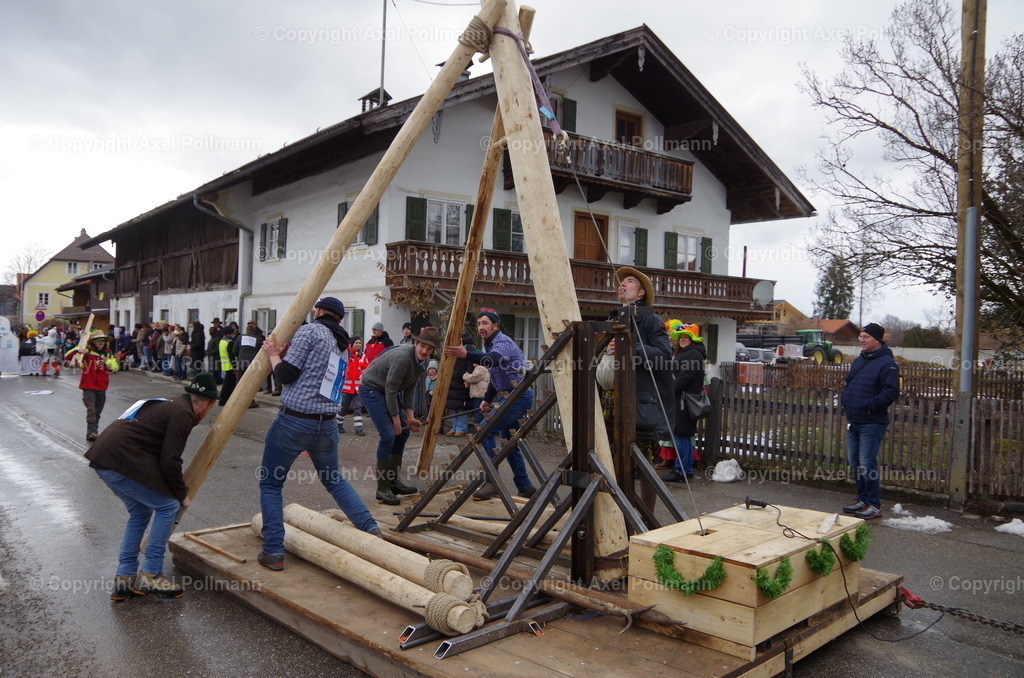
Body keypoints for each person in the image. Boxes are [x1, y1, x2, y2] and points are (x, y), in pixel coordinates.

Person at [257, 297, 381, 571]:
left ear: (319, 311)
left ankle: (274, 551)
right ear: (339, 318)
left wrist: (273, 354)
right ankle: (371, 529)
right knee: (334, 480)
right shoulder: (342, 343)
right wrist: (286, 356)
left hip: (295, 420)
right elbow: (311, 373)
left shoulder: (310, 331)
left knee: (271, 483)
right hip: (326, 424)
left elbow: (286, 376)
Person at [86, 373, 219, 600]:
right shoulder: (183, 414)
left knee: (140, 512)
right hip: (120, 460)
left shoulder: (169, 403)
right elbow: (170, 460)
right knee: (169, 507)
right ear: (206, 404)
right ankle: (151, 574)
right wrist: (181, 495)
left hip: (104, 459)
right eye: (210, 409)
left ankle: (125, 577)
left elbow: (160, 456)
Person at [443, 309, 537, 501]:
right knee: (508, 442)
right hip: (508, 396)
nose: (480, 327)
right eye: (478, 324)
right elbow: (495, 377)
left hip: (518, 395)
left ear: (495, 326)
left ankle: (492, 481)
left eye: (484, 323)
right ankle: (525, 486)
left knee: (484, 431)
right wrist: (487, 399)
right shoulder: (490, 344)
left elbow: (494, 360)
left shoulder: (502, 342)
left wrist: (465, 354)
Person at [359, 327, 439, 505]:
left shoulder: (423, 362)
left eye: (429, 349)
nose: (424, 351)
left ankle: (394, 482)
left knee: (403, 433)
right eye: (422, 346)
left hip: (388, 390)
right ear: (416, 343)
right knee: (388, 435)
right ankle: (382, 488)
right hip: (371, 389)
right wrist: (396, 420)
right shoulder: (403, 358)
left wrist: (409, 416)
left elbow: (410, 387)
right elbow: (391, 389)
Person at [840, 322, 900, 520]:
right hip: (853, 420)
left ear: (877, 340)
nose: (861, 340)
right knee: (855, 462)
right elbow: (849, 382)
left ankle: (873, 504)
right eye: (861, 337)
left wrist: (869, 405)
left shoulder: (887, 364)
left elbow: (891, 391)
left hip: (872, 422)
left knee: (867, 464)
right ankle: (862, 499)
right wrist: (846, 399)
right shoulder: (860, 361)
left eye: (865, 337)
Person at [664, 323, 706, 482]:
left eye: (686, 337)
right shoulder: (689, 353)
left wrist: (669, 390)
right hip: (683, 400)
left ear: (692, 340)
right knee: (684, 436)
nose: (682, 340)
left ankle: (680, 471)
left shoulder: (693, 354)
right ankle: (686, 470)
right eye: (681, 337)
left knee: (680, 435)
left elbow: (684, 377)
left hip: (683, 401)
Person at [66, 330, 120, 441]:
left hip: (101, 387)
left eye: (103, 340)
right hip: (88, 386)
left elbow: (115, 368)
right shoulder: (86, 353)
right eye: (98, 340)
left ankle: (92, 431)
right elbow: (67, 356)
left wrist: (107, 362)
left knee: (97, 411)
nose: (101, 342)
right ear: (94, 342)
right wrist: (77, 349)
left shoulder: (108, 354)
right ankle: (92, 432)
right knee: (91, 410)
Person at [444, 333, 475, 437]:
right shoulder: (453, 346)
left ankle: (461, 427)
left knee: (461, 406)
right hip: (452, 379)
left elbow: (470, 363)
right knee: (453, 405)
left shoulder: (468, 347)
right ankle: (454, 427)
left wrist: (468, 378)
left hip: (462, 379)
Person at [336, 336, 368, 435]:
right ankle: (338, 425)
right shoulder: (346, 354)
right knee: (343, 407)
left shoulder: (362, 355)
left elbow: (366, 368)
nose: (358, 345)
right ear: (351, 344)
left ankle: (359, 429)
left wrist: (363, 377)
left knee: (358, 407)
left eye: (359, 343)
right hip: (346, 387)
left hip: (357, 388)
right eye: (356, 343)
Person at [217, 324, 239, 406]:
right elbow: (231, 356)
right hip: (230, 366)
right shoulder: (229, 342)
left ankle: (223, 400)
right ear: (229, 333)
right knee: (229, 385)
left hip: (224, 365)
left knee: (226, 384)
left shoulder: (222, 341)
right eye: (232, 333)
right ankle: (225, 400)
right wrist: (235, 367)